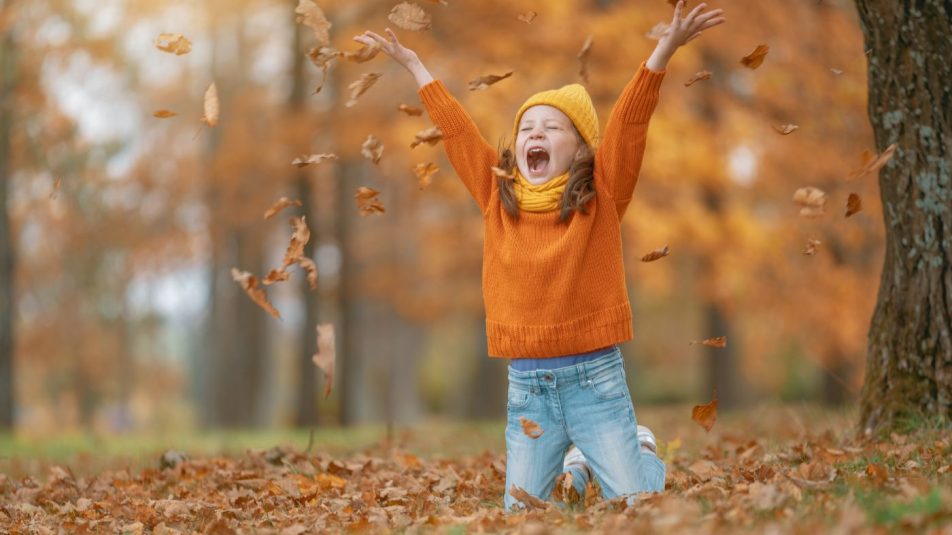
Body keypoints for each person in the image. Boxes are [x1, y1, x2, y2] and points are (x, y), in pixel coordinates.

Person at [355, 1, 726, 511]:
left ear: (578, 149)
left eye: (552, 128)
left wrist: (662, 51)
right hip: (529, 388)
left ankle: (640, 453)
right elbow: (460, 135)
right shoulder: (496, 196)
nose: (536, 134)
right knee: (521, 514)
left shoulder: (601, 196)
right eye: (528, 127)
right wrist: (417, 67)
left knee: (635, 507)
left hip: (596, 381)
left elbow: (628, 125)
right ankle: (576, 469)